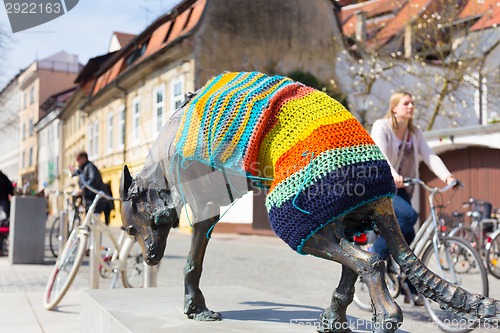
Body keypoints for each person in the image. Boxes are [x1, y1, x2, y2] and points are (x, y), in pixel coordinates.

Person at [370, 91, 457, 305]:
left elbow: (430, 156)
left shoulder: (414, 133)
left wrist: (447, 176)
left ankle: (411, 288)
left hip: (402, 189)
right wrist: (392, 174)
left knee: (410, 239)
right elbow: (380, 155)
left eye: (412, 103)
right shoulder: (381, 127)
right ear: (394, 107)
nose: (411, 106)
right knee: (409, 216)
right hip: (381, 186)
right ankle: (374, 253)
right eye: (406, 103)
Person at [73, 151, 108, 217]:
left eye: (78, 159)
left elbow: (93, 180)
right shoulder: (83, 168)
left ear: (84, 158)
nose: (77, 161)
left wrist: (82, 189)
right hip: (89, 199)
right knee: (89, 219)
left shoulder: (90, 167)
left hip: (94, 198)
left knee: (94, 219)